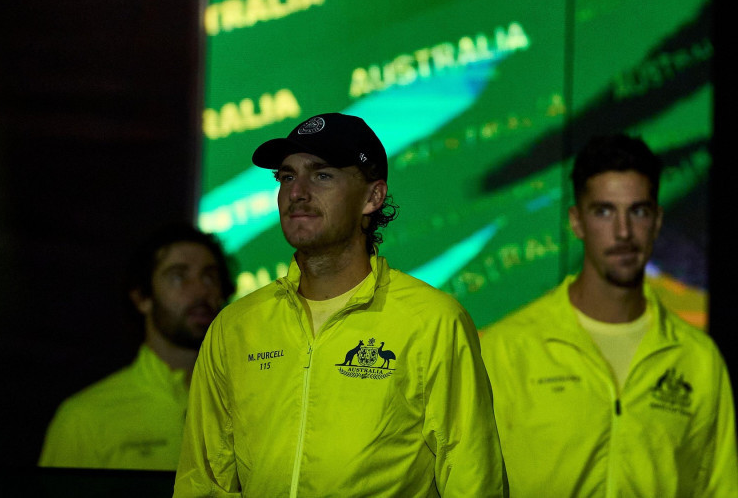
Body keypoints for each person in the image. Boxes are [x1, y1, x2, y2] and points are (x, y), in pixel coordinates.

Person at [174, 113, 508, 497]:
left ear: (372, 197)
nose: (297, 192)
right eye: (286, 176)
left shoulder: (432, 321)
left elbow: (473, 480)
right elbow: (201, 484)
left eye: (322, 175)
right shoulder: (236, 327)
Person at [481, 134, 738, 496]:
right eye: (603, 211)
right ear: (576, 221)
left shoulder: (697, 359)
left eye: (638, 211)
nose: (623, 232)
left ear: (657, 221)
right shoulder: (508, 349)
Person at [39, 223, 235, 470]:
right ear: (142, 298)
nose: (201, 289)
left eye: (210, 276)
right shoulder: (84, 418)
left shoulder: (249, 403)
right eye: (178, 276)